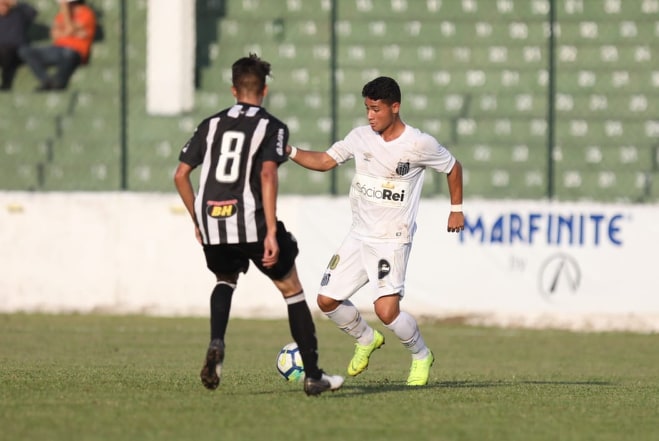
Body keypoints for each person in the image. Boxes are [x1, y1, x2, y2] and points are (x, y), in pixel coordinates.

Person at [173, 53, 344, 396]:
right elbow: (267, 174)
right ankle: (313, 376)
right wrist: (270, 231)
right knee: (291, 289)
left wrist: (197, 219)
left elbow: (180, 175)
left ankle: (217, 342)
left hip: (212, 218)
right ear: (264, 90)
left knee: (225, 279)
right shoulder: (272, 127)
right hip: (250, 218)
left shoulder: (210, 124)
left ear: (234, 90)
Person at [285, 76, 465, 386]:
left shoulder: (419, 143)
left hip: (392, 239)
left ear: (395, 107)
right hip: (359, 235)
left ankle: (421, 355)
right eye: (367, 109)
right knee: (326, 301)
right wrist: (288, 151)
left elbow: (453, 167)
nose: (370, 116)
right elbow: (325, 161)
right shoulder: (360, 137)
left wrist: (456, 209)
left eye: (376, 109)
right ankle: (366, 339)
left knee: (386, 311)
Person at [18, 0, 95, 91]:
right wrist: (73, 32)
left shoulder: (86, 13)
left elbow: (69, 29)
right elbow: (54, 33)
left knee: (68, 53)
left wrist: (65, 10)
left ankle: (58, 82)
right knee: (26, 51)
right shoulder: (61, 14)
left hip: (75, 51)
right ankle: (46, 81)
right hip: (57, 49)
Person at [0, 0, 37, 90]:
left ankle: (6, 84)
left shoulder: (19, 14)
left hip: (17, 51)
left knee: (6, 53)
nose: (3, 7)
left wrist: (16, 3)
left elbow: (33, 12)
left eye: (5, 5)